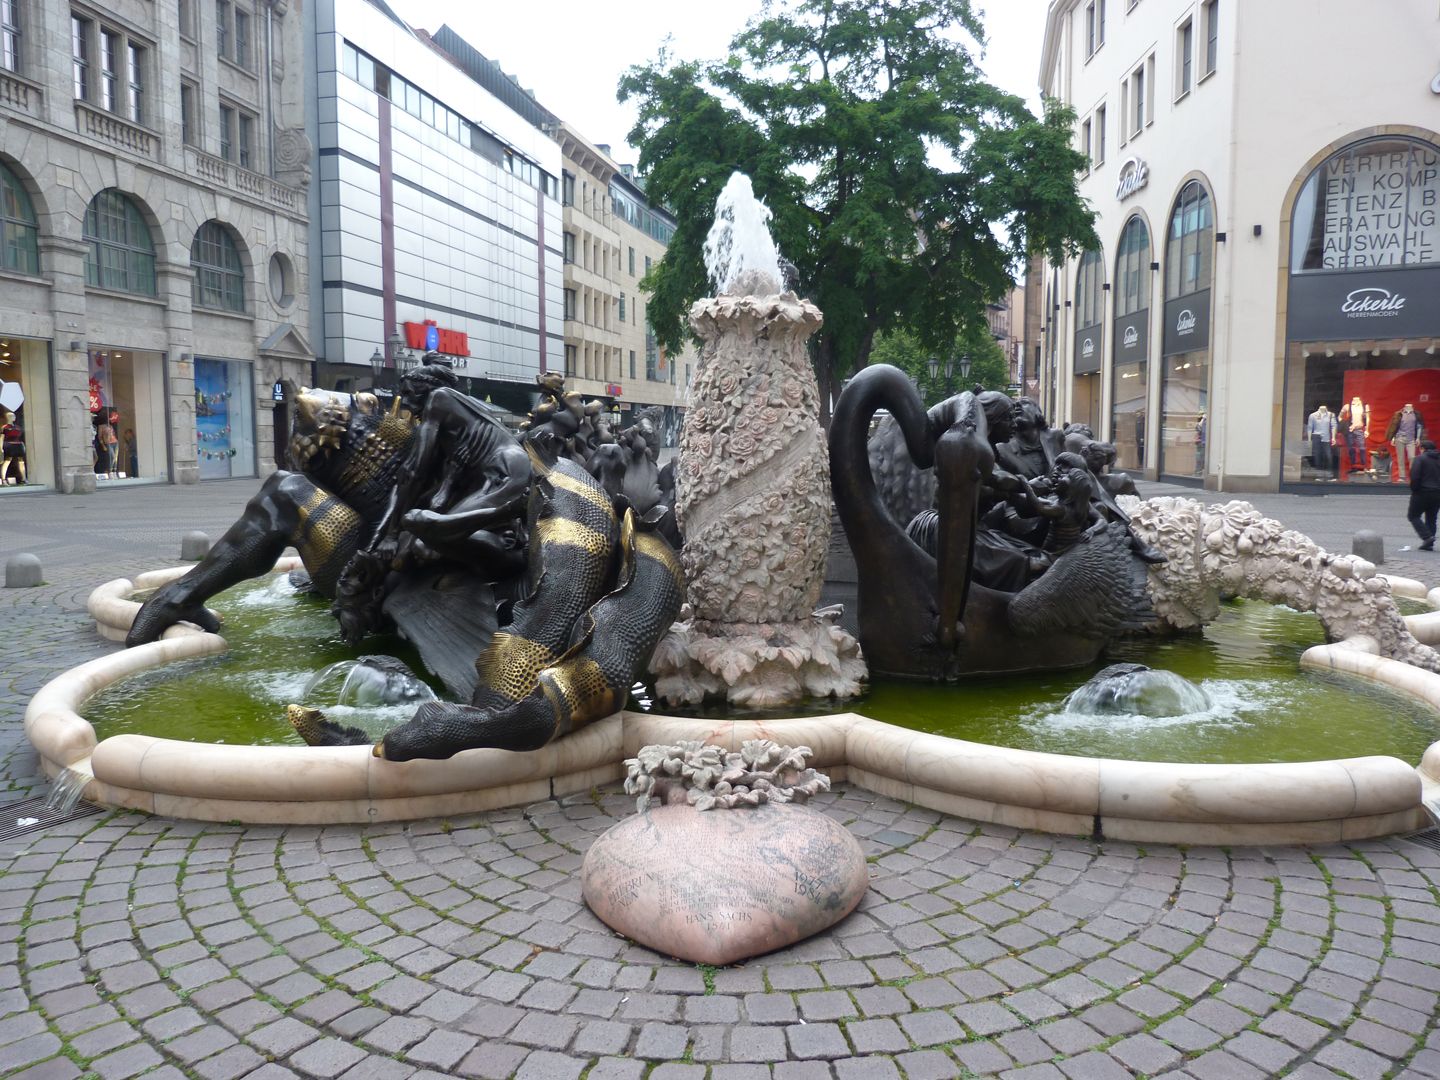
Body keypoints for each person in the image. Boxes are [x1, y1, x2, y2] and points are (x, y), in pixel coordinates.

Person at [1407, 439, 1440, 551]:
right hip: (1437, 493)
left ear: (1422, 448)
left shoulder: (1420, 459)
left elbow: (1415, 476)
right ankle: (1429, 543)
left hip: (1422, 492)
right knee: (1431, 518)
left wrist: (1414, 489)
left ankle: (1427, 537)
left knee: (1413, 515)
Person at [1385, 403, 1425, 483]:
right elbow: (1394, 426)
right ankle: (1402, 477)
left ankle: (1412, 476)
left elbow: (1419, 426)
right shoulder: (1399, 414)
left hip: (1411, 439)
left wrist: (1418, 438)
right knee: (1401, 457)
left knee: (1412, 457)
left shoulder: (1416, 414)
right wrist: (1393, 437)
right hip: (1400, 438)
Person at [1339, 395, 1369, 472]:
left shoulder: (1364, 406)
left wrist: (1366, 429)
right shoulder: (1347, 406)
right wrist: (1345, 424)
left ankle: (1363, 466)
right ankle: (1353, 466)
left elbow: (1368, 418)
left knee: (1362, 448)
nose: (1356, 400)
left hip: (1359, 429)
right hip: (1350, 430)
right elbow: (1340, 417)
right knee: (1351, 448)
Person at [1305, 404, 1336, 478]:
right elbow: (1310, 427)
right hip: (1316, 436)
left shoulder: (1331, 415)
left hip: (1326, 437)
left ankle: (1329, 473)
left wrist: (1333, 437)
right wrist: (1309, 439)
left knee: (1328, 456)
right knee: (1317, 456)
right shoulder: (1313, 415)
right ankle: (1319, 474)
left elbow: (1333, 426)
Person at [1, 411, 25, 485]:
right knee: (7, 461)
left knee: (21, 462)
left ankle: (24, 478)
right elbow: (2, 438)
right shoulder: (4, 427)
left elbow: (20, 437)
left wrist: (23, 446)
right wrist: (1, 448)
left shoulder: (18, 427)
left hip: (18, 445)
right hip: (9, 445)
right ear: (8, 417)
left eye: (14, 416)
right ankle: (4, 479)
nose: (13, 417)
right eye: (11, 416)